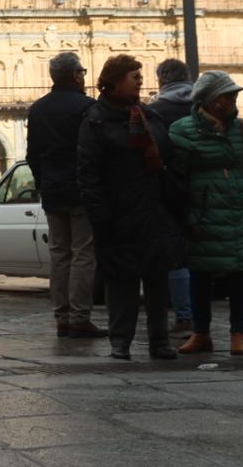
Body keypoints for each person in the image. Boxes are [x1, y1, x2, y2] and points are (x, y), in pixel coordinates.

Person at [76, 55, 180, 361]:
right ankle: (120, 341)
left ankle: (159, 341)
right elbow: (88, 173)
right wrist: (101, 216)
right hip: (118, 213)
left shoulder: (148, 115)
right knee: (121, 281)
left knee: (157, 278)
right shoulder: (95, 121)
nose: (140, 81)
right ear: (115, 81)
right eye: (134, 76)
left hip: (153, 209)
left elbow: (167, 154)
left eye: (140, 76)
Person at [169, 72, 243, 356]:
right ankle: (201, 333)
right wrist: (189, 217)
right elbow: (178, 178)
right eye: (227, 95)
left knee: (239, 273)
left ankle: (239, 333)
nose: (233, 98)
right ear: (211, 99)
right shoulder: (183, 130)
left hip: (239, 209)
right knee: (200, 273)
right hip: (204, 212)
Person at [26, 52, 106, 339]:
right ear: (76, 75)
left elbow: (32, 155)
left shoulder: (38, 109)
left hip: (52, 190)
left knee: (59, 254)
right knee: (83, 254)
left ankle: (61, 317)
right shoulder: (87, 106)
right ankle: (80, 318)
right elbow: (94, 150)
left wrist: (43, 182)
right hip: (81, 189)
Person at [147, 57, 196, 335]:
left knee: (176, 255)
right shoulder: (205, 107)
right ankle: (203, 316)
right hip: (205, 186)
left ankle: (184, 315)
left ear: (161, 81)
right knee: (203, 251)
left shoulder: (155, 111)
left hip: (169, 188)